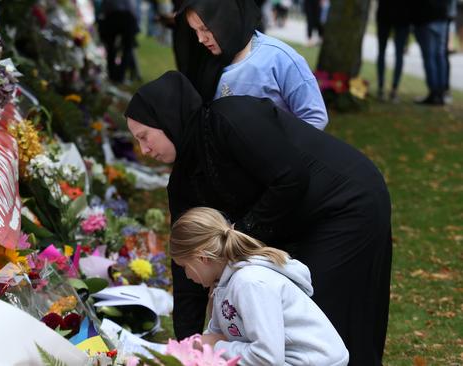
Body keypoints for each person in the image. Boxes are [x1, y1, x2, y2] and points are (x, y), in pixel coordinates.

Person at [125, 71, 392, 366]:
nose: (144, 150)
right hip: (296, 219)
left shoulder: (231, 117)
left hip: (345, 203)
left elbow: (290, 178)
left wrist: (239, 238)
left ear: (166, 119)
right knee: (283, 319)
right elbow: (187, 261)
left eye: (144, 137)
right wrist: (188, 349)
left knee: (324, 315)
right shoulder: (183, 183)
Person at [170, 207, 349, 365]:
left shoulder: (251, 283)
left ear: (203, 258)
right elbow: (215, 336)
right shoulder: (223, 284)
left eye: (185, 266)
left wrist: (215, 346)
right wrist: (198, 348)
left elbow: (267, 358)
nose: (186, 275)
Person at [174, 0, 328, 130]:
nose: (201, 39)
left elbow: (315, 117)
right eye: (195, 31)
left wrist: (282, 154)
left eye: (206, 29)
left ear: (227, 19)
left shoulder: (278, 58)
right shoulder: (208, 62)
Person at [412, 0, 450, 105]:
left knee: (430, 57)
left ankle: (434, 92)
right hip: (441, 17)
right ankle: (441, 92)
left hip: (427, 19)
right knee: (439, 55)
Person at [376, 0, 411, 102]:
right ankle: (393, 90)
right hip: (401, 16)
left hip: (387, 13)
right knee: (398, 54)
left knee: (383, 52)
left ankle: (381, 88)